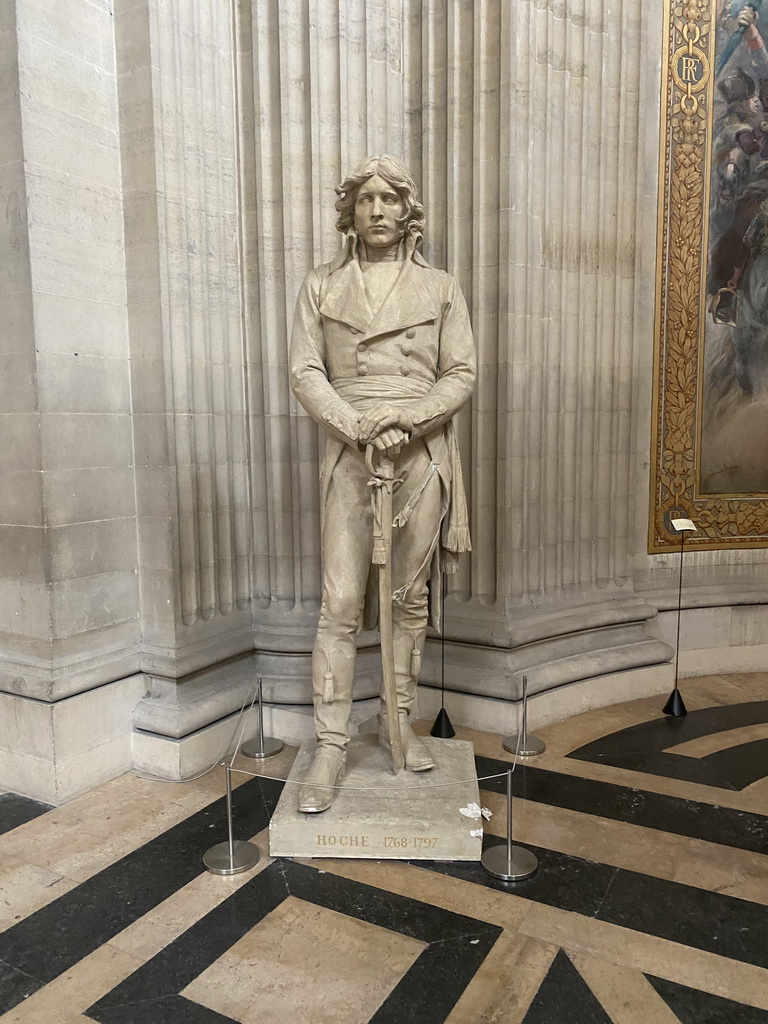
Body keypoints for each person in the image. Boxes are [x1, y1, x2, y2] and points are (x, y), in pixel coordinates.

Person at [289, 155, 476, 813]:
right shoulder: (320, 287)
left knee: (407, 600)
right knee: (340, 602)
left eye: (387, 198)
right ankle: (331, 744)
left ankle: (400, 722)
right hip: (352, 453)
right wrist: (361, 425)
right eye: (364, 199)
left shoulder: (442, 287)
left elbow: (461, 372)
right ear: (352, 211)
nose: (375, 210)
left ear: (406, 209)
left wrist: (411, 416)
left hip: (420, 454)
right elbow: (306, 372)